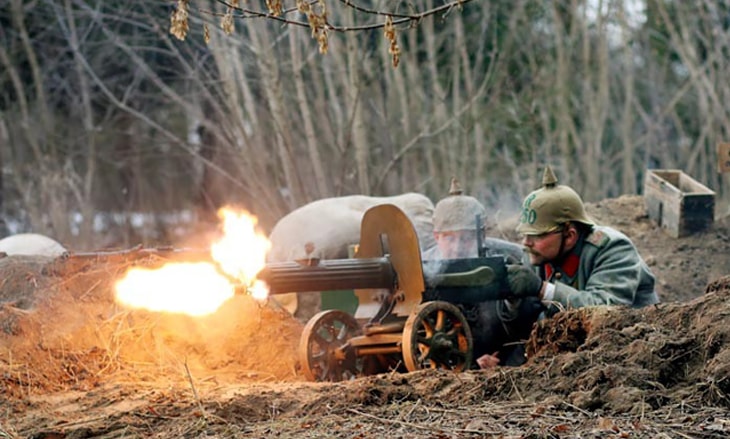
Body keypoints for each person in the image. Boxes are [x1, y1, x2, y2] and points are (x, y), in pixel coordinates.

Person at [476, 165, 660, 369]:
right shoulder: (539, 254)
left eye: (537, 235)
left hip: (633, 352)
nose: (526, 243)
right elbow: (535, 326)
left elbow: (607, 311)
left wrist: (541, 289)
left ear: (570, 235)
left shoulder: (612, 249)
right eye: (526, 234)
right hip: (579, 353)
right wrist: (505, 365)